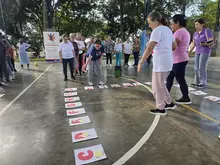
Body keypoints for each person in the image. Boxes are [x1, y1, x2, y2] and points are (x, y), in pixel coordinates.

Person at [138, 11, 177, 115]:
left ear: (155, 20)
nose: (149, 25)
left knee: (156, 87)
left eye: (150, 22)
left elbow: (150, 48)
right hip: (168, 62)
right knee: (161, 85)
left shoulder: (157, 31)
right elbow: (174, 46)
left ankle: (160, 108)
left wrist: (141, 62)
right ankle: (169, 103)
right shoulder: (168, 30)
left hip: (160, 63)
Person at [166, 14, 191, 105]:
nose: (171, 26)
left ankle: (186, 97)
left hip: (178, 59)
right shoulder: (185, 31)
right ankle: (165, 96)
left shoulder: (179, 32)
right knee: (170, 78)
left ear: (177, 23)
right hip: (179, 59)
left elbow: (173, 46)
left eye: (172, 23)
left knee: (180, 79)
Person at [188, 18, 214, 88]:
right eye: (195, 25)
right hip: (198, 51)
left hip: (205, 51)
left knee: (201, 67)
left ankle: (203, 83)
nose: (196, 26)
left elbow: (211, 41)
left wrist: (204, 43)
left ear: (202, 25)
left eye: (198, 24)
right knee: (196, 68)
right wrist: (188, 53)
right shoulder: (195, 33)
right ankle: (197, 82)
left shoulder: (207, 31)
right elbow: (193, 44)